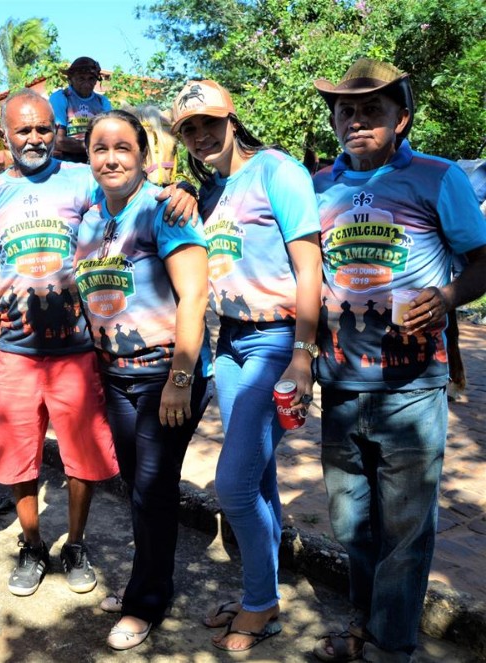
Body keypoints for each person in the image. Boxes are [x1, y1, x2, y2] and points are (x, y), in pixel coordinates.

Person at [0, 89, 197, 597]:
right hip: (18, 354)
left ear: (57, 131)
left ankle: (75, 542)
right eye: (23, 130)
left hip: (77, 351)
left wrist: (178, 187)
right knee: (18, 456)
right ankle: (31, 545)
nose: (34, 138)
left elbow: (135, 193)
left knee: (82, 457)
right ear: (5, 135)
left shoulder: (84, 182)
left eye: (43, 128)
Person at [309, 58, 486, 663]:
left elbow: (482, 260)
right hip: (338, 381)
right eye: (346, 110)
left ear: (401, 119)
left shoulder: (438, 178)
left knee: (407, 530)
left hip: (412, 383)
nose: (356, 120)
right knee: (351, 522)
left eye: (373, 110)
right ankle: (363, 623)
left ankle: (391, 646)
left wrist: (446, 297)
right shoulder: (316, 186)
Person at [171, 79, 322, 652]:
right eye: (190, 128)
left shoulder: (277, 171)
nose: (202, 134)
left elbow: (310, 270)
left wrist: (304, 357)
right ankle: (264, 593)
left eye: (210, 122)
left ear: (233, 119)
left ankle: (261, 602)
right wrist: (185, 186)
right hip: (230, 344)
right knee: (257, 480)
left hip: (277, 343)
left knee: (232, 487)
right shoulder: (207, 190)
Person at [74, 109, 211, 650]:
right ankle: (148, 580)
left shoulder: (164, 211)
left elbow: (195, 295)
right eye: (100, 148)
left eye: (122, 148)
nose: (110, 157)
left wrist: (181, 376)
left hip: (164, 377)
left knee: (153, 490)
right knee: (138, 487)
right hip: (117, 377)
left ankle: (145, 603)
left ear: (144, 156)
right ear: (89, 157)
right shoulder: (89, 220)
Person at [49, 56, 112, 164]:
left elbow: (109, 136)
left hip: (95, 158)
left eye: (91, 78)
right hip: (67, 160)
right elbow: (59, 141)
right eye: (81, 78)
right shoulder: (61, 97)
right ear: (70, 80)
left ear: (96, 80)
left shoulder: (102, 101)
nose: (86, 83)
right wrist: (94, 146)